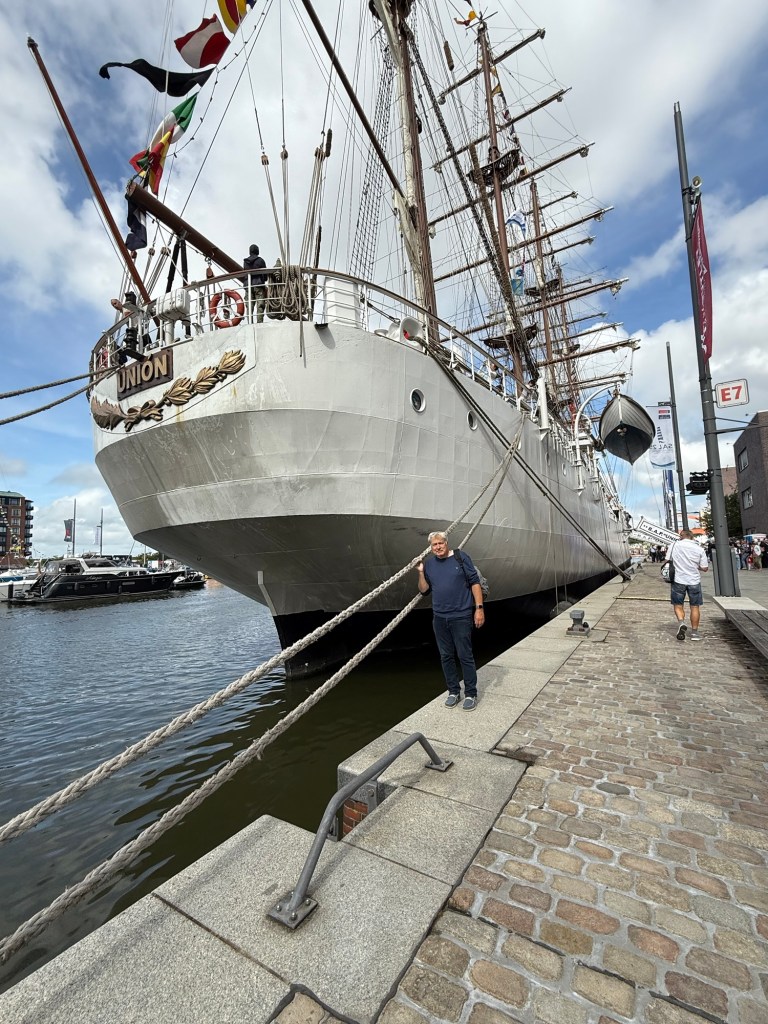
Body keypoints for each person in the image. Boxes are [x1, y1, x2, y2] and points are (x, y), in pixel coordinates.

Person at [416, 531, 485, 710]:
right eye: (434, 545)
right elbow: (424, 591)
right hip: (439, 618)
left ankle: (471, 693)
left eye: (440, 543)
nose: (438, 547)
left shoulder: (461, 558)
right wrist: (421, 572)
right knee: (446, 656)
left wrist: (479, 609)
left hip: (461, 616)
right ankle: (453, 691)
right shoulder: (430, 564)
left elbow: (475, 583)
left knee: (464, 655)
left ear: (446, 543)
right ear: (431, 547)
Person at [667, 529, 709, 642]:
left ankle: (681, 623)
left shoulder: (674, 545)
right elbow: (705, 568)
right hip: (694, 581)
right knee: (695, 607)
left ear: (681, 536)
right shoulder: (699, 549)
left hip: (678, 580)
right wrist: (695, 566)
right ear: (692, 537)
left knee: (678, 605)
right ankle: (694, 633)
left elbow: (667, 560)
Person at [241, 244, 267, 323]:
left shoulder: (245, 262)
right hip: (258, 285)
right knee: (260, 305)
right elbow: (265, 276)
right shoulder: (261, 260)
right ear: (257, 251)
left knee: (249, 306)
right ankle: (259, 322)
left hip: (248, 285)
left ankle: (250, 322)